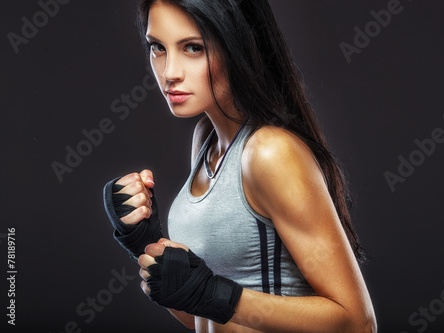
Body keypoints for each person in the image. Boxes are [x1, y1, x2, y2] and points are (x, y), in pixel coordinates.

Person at [103, 0, 377, 332]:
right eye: (158, 47)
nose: (169, 72)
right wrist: (144, 243)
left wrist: (215, 294)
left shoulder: (270, 152)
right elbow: (206, 315)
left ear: (237, 46)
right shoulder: (205, 139)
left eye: (193, 48)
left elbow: (358, 323)